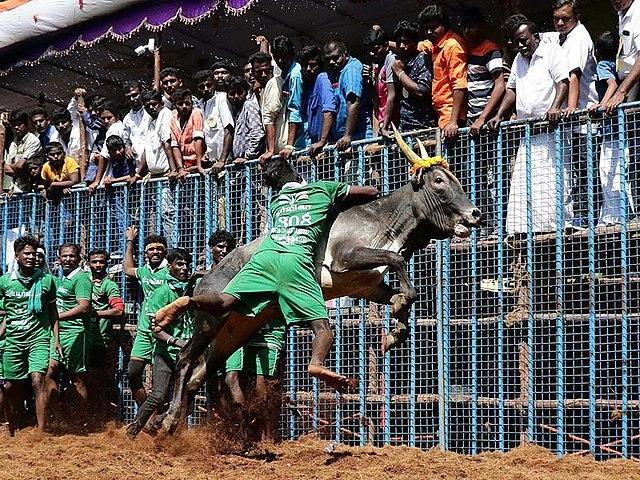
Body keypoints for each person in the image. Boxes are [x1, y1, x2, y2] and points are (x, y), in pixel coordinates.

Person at [154, 157, 379, 391]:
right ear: (298, 174)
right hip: (296, 260)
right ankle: (316, 363)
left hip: (265, 256)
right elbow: (370, 192)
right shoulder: (321, 188)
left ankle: (187, 302)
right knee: (322, 328)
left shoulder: (277, 201)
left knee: (224, 302)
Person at [487, 18, 571, 234]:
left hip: (551, 130)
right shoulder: (518, 60)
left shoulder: (552, 51)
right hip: (528, 133)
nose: (521, 46)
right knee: (525, 185)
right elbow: (511, 90)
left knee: (553, 182)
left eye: (524, 40)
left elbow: (564, 81)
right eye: (517, 42)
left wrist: (555, 107)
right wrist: (499, 115)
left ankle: (554, 229)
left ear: (535, 36)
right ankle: (523, 230)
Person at [126, 248, 194, 438]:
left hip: (187, 355)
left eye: (187, 264)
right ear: (170, 267)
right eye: (179, 264)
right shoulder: (162, 293)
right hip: (166, 353)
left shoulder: (192, 290)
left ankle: (157, 421)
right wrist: (176, 341)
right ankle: (134, 430)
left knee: (187, 400)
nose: (184, 268)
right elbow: (155, 329)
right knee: (157, 396)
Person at [0, 236, 60, 435]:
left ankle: (41, 431)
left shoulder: (46, 280)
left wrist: (56, 339)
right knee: (9, 387)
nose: (32, 257)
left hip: (39, 339)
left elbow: (53, 312)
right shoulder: (5, 282)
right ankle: (12, 428)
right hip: (14, 341)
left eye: (35, 253)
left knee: (37, 380)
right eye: (27, 253)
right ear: (17, 256)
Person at [46, 243, 92, 423]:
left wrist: (57, 317)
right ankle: (57, 418)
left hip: (76, 334)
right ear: (59, 259)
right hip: (59, 334)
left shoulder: (81, 279)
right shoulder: (63, 279)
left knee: (77, 379)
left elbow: (84, 307)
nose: (68, 259)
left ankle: (82, 421)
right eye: (64, 256)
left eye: (72, 256)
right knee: (48, 374)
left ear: (79, 259)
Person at [123, 226, 170, 407]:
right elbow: (127, 268)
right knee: (133, 373)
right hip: (144, 331)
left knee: (163, 385)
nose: (155, 251)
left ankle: (162, 420)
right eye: (151, 249)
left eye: (159, 248)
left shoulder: (170, 271)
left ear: (165, 251)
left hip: (164, 331)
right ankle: (147, 414)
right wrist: (130, 241)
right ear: (145, 253)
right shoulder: (144, 271)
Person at [593, 31, 635, 224]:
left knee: (609, 171)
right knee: (623, 169)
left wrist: (603, 104)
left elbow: (610, 84)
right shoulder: (621, 65)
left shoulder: (602, 65)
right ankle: (625, 211)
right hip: (624, 127)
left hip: (611, 129)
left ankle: (616, 215)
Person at [418, 4, 468, 138]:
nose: (429, 32)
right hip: (443, 117)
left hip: (453, 120)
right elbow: (415, 46)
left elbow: (459, 85)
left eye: (433, 27)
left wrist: (453, 121)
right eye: (426, 29)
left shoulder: (452, 46)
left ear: (445, 25)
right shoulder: (435, 44)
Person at [86, 249, 124, 418]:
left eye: (101, 261)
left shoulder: (109, 285)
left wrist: (96, 314)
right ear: (88, 264)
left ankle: (102, 418)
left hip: (99, 341)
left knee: (98, 380)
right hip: (80, 339)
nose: (98, 265)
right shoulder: (83, 281)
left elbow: (118, 311)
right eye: (94, 262)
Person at [460, 7, 506, 136]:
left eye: (471, 27)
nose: (467, 31)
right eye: (464, 28)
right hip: (472, 119)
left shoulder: (490, 50)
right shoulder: (467, 51)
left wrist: (482, 118)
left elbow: (500, 85)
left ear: (481, 27)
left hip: (487, 120)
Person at [323, 40, 369, 151]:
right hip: (349, 140)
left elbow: (353, 101)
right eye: (328, 59)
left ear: (345, 54)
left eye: (335, 57)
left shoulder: (351, 70)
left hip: (358, 138)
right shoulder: (341, 72)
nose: (331, 62)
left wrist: (347, 135)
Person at [392, 21, 437, 131]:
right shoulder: (398, 62)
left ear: (415, 42)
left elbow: (421, 91)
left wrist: (401, 73)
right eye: (398, 43)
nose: (402, 46)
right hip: (404, 128)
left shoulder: (422, 59)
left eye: (406, 42)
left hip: (423, 128)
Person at [250, 52, 289, 165]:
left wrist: (269, 151)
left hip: (281, 149)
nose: (263, 75)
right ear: (253, 73)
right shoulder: (263, 89)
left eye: (266, 71)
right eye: (258, 72)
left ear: (272, 69)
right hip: (278, 151)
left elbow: (269, 118)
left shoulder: (274, 82)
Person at [194, 68, 234, 175]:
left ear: (213, 84)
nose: (206, 89)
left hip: (226, 163)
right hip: (212, 164)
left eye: (208, 85)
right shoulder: (200, 105)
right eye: (202, 87)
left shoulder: (221, 98)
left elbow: (228, 129)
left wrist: (222, 160)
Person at [299, 45, 338, 157]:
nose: (308, 68)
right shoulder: (309, 85)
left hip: (325, 147)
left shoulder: (322, 79)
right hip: (315, 146)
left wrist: (322, 141)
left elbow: (329, 110)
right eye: (305, 65)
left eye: (312, 65)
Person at [271, 36, 305, 157]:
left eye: (283, 56)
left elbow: (295, 108)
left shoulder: (295, 74)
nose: (280, 60)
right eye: (276, 56)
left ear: (291, 54)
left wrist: (290, 145)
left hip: (302, 139)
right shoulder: (285, 74)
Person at [603, 0, 640, 111]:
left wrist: (621, 92)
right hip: (628, 83)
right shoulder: (622, 12)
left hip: (636, 83)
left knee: (629, 115)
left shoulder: (637, 13)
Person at [363, 26, 398, 137]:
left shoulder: (390, 60)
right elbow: (376, 99)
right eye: (369, 51)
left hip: (392, 124)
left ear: (386, 46)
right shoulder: (377, 65)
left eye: (376, 49)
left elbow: (392, 95)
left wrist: (385, 126)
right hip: (381, 122)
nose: (372, 53)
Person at [169, 88, 206, 177]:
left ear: (192, 103)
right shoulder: (173, 120)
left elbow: (198, 139)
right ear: (175, 105)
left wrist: (199, 165)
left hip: (199, 163)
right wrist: (180, 169)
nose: (184, 106)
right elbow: (175, 146)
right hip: (185, 167)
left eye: (187, 103)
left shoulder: (196, 113)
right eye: (180, 104)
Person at [3, 111, 42, 193]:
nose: (16, 127)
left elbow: (20, 165)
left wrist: (14, 167)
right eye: (14, 125)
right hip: (15, 190)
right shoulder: (13, 143)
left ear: (26, 124)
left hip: (30, 190)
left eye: (19, 124)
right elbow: (6, 169)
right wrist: (16, 168)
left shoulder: (33, 141)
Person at [89, 100, 124, 193]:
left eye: (109, 118)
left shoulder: (114, 128)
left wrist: (96, 181)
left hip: (114, 175)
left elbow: (104, 156)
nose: (106, 121)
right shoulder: (119, 127)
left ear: (116, 116)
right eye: (103, 118)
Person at [228, 76, 264, 163]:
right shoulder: (236, 112)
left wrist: (248, 156)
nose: (236, 96)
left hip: (250, 163)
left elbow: (257, 133)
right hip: (240, 163)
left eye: (240, 92)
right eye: (232, 93)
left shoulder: (249, 106)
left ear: (246, 92)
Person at [121, 80, 151, 164]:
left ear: (141, 93)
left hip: (153, 161)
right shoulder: (127, 118)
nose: (132, 99)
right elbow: (126, 140)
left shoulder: (150, 111)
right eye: (128, 97)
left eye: (135, 95)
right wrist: (127, 149)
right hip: (137, 164)